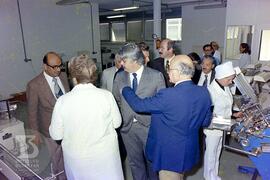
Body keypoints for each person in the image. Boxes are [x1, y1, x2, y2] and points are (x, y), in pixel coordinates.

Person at [122, 55, 212, 180]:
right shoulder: (204, 92)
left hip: (169, 154)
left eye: (168, 68)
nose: (167, 72)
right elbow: (205, 121)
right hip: (188, 150)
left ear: (176, 72)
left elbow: (139, 106)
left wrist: (126, 89)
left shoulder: (168, 95)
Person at [49, 54, 124, 180]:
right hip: (106, 156)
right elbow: (117, 123)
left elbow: (56, 135)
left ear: (73, 77)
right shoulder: (106, 96)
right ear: (94, 75)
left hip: (78, 160)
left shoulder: (63, 101)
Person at [112, 43, 165, 180]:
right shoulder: (119, 77)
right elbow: (117, 100)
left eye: (124, 61)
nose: (121, 63)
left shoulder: (156, 76)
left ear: (135, 60)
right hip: (128, 128)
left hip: (149, 127)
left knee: (152, 163)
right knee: (134, 163)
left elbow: (161, 105)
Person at [26, 51, 70, 180]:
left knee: (67, 157)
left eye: (60, 65)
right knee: (55, 160)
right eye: (54, 67)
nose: (58, 70)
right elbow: (32, 112)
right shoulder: (34, 85)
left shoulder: (63, 76)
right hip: (49, 130)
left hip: (68, 127)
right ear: (45, 66)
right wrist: (35, 133)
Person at [203, 61, 242, 180]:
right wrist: (230, 123)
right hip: (213, 129)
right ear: (221, 77)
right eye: (229, 79)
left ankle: (214, 174)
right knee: (211, 154)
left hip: (222, 126)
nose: (231, 82)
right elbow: (209, 115)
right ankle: (208, 176)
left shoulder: (225, 87)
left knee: (217, 151)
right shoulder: (210, 91)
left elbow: (226, 107)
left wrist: (234, 115)